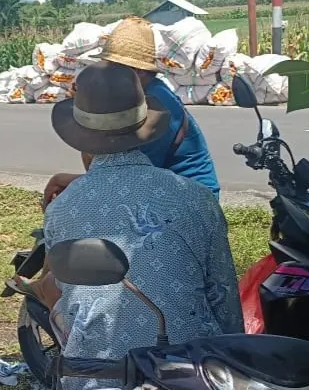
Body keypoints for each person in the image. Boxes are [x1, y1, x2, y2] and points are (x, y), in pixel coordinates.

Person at [42, 61, 244, 390]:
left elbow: (67, 294)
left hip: (96, 378)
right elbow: (223, 298)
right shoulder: (195, 198)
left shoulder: (62, 208)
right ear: (144, 123)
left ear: (81, 136)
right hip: (191, 373)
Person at [44, 16, 220, 205]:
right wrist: (86, 110)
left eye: (116, 67)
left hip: (190, 199)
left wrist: (64, 181)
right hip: (158, 189)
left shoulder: (158, 106)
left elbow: (125, 181)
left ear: (141, 71)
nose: (109, 72)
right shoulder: (133, 97)